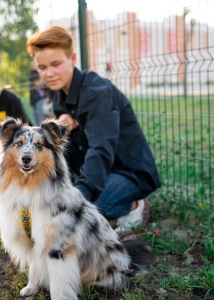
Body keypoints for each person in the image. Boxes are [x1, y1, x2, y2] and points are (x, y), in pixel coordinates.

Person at [27, 26, 161, 240]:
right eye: (42, 67)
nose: (49, 73)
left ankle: (135, 205)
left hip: (128, 171)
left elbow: (101, 149)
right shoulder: (60, 92)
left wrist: (79, 196)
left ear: (72, 58)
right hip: (100, 170)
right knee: (55, 204)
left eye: (56, 64)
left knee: (85, 210)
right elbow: (69, 149)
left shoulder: (97, 93)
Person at [29, 60, 50, 125]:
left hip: (41, 100)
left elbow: (42, 84)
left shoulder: (44, 73)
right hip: (33, 101)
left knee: (42, 120)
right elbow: (37, 83)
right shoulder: (33, 74)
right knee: (36, 120)